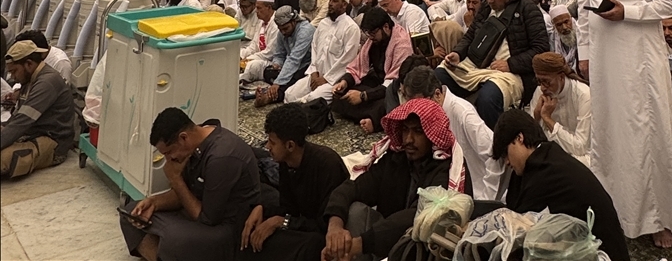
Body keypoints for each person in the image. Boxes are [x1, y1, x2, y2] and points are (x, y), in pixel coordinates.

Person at [577, 0, 672, 249]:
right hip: (604, 60)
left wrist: (628, 11)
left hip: (640, 61)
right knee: (610, 134)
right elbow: (583, 4)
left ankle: (660, 219)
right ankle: (616, 211)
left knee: (646, 132)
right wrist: (584, 53)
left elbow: (669, 4)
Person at [323, 98, 467, 261]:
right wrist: (335, 227)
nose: (408, 139)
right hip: (385, 240)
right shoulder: (396, 159)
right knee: (355, 210)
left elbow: (418, 217)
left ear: (432, 136)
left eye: (418, 131)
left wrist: (360, 244)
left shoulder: (445, 169)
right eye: (405, 130)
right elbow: (353, 188)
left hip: (423, 249)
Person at [120, 107, 260, 261]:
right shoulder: (194, 146)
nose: (168, 159)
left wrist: (175, 179)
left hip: (226, 229)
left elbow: (207, 218)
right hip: (196, 213)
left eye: (169, 152)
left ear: (183, 138)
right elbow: (185, 194)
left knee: (174, 239)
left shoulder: (221, 157)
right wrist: (154, 203)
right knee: (132, 213)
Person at [492, 109, 630, 261]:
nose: (507, 162)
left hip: (601, 253)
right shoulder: (546, 157)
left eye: (506, 153)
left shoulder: (544, 173)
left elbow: (516, 230)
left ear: (519, 138)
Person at [437, 0, 549, 129]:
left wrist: (511, 64)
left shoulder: (527, 9)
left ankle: (495, 141)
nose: (490, 0)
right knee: (438, 76)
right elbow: (470, 36)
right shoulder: (486, 7)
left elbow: (541, 49)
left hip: (509, 73)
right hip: (476, 65)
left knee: (488, 98)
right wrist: (457, 53)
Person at [238, 104, 348, 261]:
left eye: (272, 142)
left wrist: (281, 222)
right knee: (250, 221)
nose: (267, 147)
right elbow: (288, 208)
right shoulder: (286, 162)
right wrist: (262, 209)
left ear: (290, 145)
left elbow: (323, 226)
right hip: (302, 225)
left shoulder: (328, 165)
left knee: (312, 245)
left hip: (324, 235)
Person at [400, 64, 505, 199]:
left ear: (437, 94)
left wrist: (486, 199)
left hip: (476, 193)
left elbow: (494, 154)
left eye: (421, 105)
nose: (417, 111)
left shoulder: (463, 114)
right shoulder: (427, 116)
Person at [1, 40, 75, 178]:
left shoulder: (46, 82)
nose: (12, 77)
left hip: (53, 142)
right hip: (31, 133)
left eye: (14, 71)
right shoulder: (29, 79)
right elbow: (16, 118)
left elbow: (22, 122)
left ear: (29, 64)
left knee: (4, 158)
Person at [332, 6, 412, 133]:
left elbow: (393, 83)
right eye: (368, 33)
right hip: (378, 82)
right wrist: (344, 82)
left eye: (373, 33)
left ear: (386, 27)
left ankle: (374, 121)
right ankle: (369, 116)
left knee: (386, 104)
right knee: (343, 94)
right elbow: (357, 67)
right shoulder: (373, 41)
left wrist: (363, 96)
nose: (370, 37)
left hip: (395, 88)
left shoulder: (402, 44)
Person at [284, 0, 360, 105]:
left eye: (335, 1)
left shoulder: (351, 27)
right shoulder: (323, 24)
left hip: (334, 81)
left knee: (312, 100)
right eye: (330, 0)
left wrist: (326, 79)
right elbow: (314, 49)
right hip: (316, 76)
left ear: (344, 5)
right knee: (289, 94)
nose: (330, 4)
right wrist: (314, 72)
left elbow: (347, 60)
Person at [528, 52, 591, 167]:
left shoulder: (584, 95)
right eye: (539, 81)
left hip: (581, 158)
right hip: (551, 155)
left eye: (547, 82)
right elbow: (532, 139)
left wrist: (547, 118)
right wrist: (536, 117)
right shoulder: (539, 92)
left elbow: (580, 147)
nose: (543, 87)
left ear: (561, 77)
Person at [256, 6, 314, 106]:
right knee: (268, 72)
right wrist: (277, 65)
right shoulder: (282, 33)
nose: (283, 32)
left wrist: (278, 83)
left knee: (291, 81)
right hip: (290, 65)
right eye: (280, 29)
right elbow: (279, 54)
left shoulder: (306, 31)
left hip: (306, 66)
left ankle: (269, 96)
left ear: (294, 21)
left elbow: (294, 59)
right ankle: (275, 90)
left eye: (286, 28)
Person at [240, 0, 279, 80]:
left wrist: (249, 59)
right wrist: (241, 55)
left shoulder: (276, 24)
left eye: (259, 8)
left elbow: (270, 53)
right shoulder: (261, 22)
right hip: (259, 56)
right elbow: (253, 46)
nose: (256, 11)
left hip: (271, 61)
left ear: (269, 7)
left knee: (252, 65)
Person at [548, 4, 580, 68]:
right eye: (559, 24)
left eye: (566, 22)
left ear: (571, 19)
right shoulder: (552, 38)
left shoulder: (581, 33)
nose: (564, 27)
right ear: (554, 26)